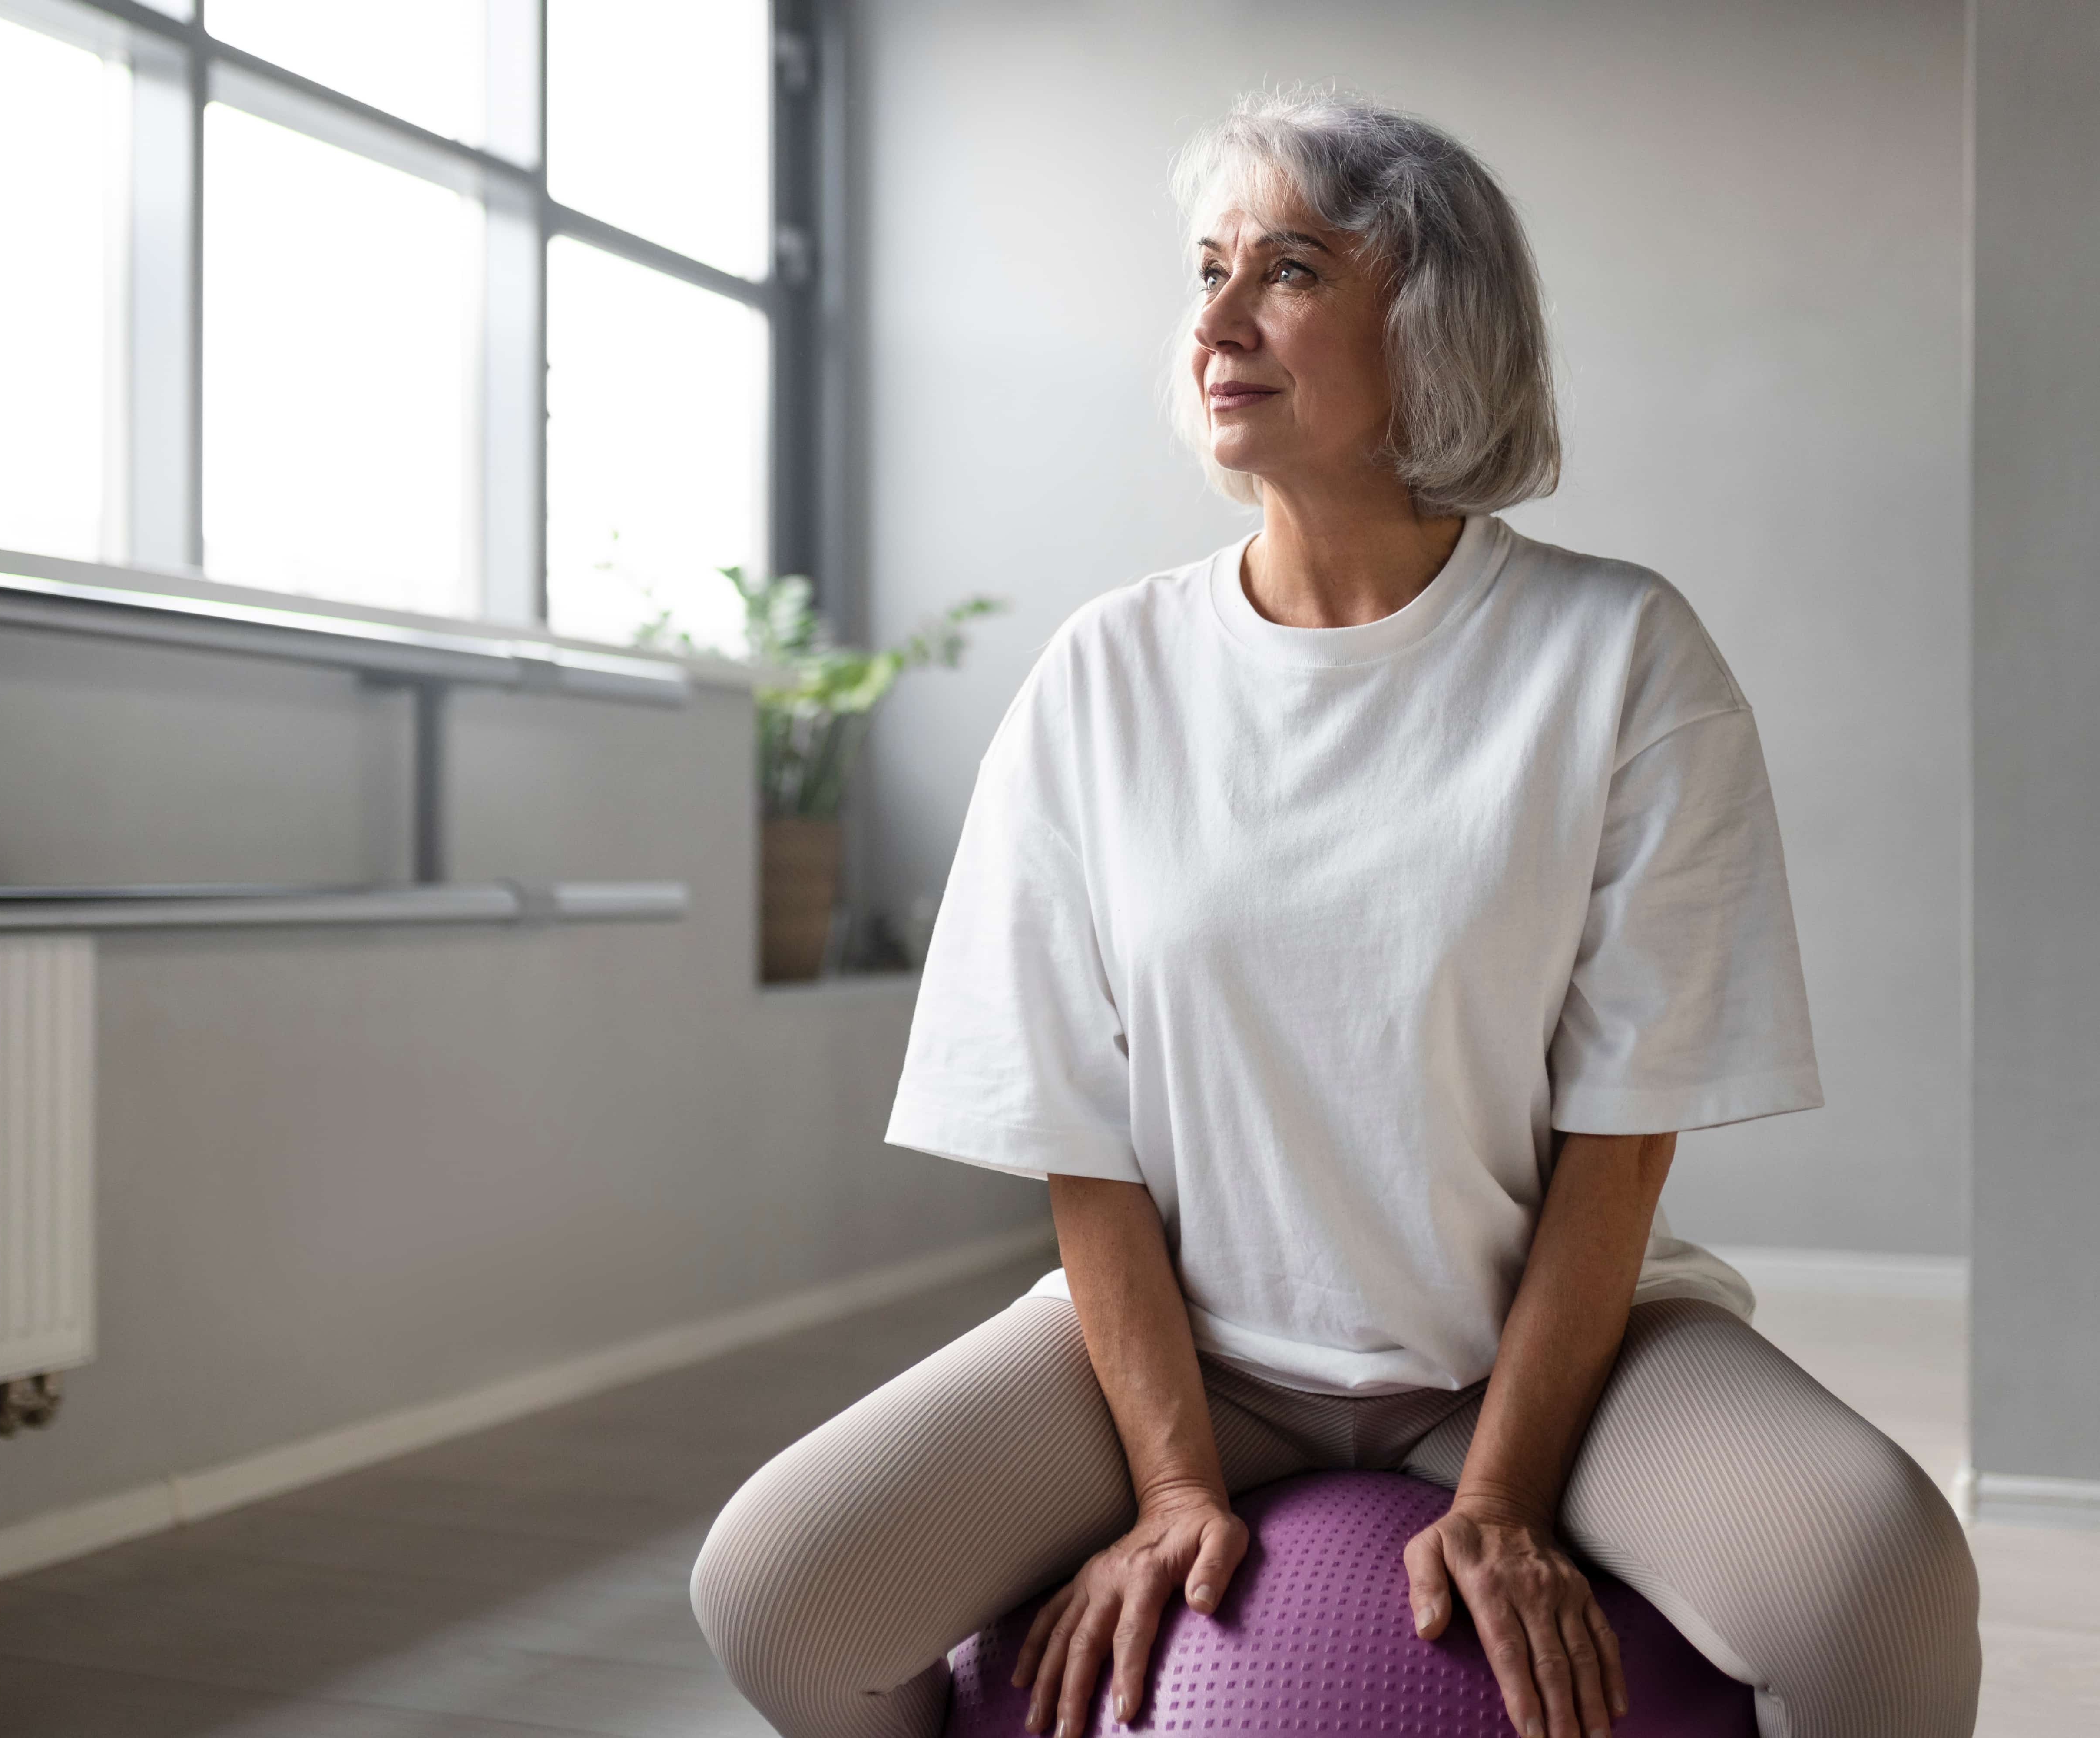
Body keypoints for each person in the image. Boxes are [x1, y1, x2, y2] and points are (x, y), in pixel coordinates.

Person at [690, 89, 1978, 1738]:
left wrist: (1505, 1493)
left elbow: (1622, 1144)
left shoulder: (1623, 658)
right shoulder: (1106, 678)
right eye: (1206, 270)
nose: (1217, 320)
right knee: (779, 1589)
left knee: (1884, 1585)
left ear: (1431, 326)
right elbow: (1079, 1139)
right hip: (1193, 1357)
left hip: (1542, 1362)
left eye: (1286, 269)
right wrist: (1169, 1483)